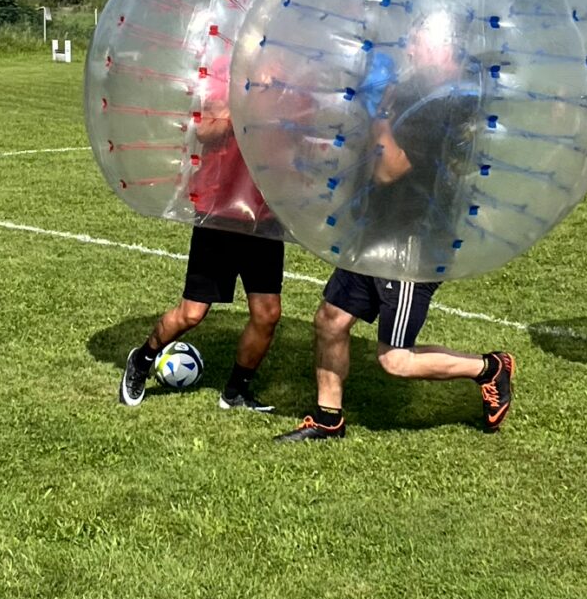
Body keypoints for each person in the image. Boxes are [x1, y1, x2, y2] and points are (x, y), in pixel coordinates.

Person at [276, 57, 514, 440]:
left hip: (410, 243)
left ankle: (489, 368)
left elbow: (389, 168)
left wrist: (377, 114)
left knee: (395, 359)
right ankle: (327, 419)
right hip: (374, 231)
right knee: (330, 320)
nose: (412, 43)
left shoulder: (436, 108)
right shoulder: (406, 90)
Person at [120, 70, 281, 410]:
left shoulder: (289, 72)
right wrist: (247, 101)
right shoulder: (223, 70)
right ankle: (142, 359)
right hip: (218, 210)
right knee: (192, 313)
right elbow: (207, 131)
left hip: (263, 214)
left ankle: (236, 391)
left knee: (267, 313)